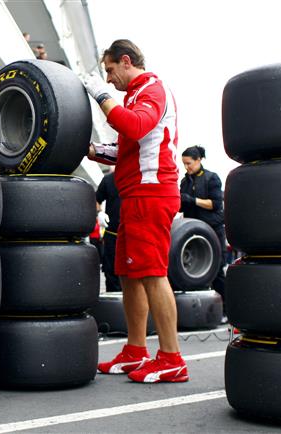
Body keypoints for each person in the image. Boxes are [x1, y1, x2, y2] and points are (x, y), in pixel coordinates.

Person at [82, 39, 188, 383]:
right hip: (134, 195)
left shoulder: (152, 89)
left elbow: (136, 127)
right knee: (129, 275)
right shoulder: (136, 96)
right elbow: (129, 146)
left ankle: (171, 357)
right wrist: (95, 150)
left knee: (153, 274)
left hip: (151, 192)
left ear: (126, 61)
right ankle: (136, 350)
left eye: (110, 71)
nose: (109, 79)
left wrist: (100, 95)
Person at [179, 145, 227, 310]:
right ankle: (204, 311)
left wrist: (192, 200)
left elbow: (215, 204)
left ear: (199, 160)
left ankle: (228, 309)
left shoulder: (211, 178)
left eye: (189, 163)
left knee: (217, 273)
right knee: (196, 274)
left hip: (213, 231)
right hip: (193, 233)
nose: (186, 167)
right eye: (184, 164)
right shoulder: (184, 182)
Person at [96, 167, 121, 292]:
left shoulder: (140, 177)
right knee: (110, 271)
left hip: (134, 234)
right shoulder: (109, 180)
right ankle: (114, 307)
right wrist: (99, 212)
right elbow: (96, 199)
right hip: (112, 234)